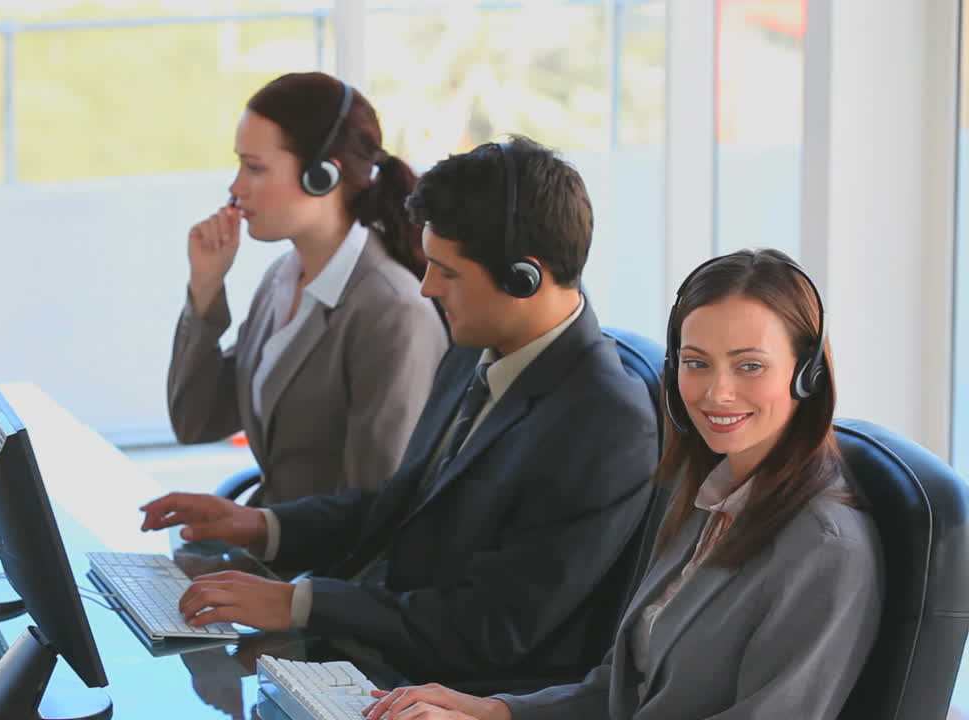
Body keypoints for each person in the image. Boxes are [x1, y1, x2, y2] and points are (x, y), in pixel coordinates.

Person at [142, 137, 659, 689]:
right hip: (379, 646)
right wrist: (262, 525)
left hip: (447, 688)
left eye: (447, 272)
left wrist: (301, 604)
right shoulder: (475, 347)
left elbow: (490, 629)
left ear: (522, 278)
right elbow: (408, 508)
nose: (428, 286)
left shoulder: (605, 424)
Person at [362, 248, 883, 719]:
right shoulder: (710, 498)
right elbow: (618, 692)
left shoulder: (825, 550)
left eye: (750, 366)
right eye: (696, 364)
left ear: (806, 375)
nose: (718, 392)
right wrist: (492, 712)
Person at [168, 71, 448, 506]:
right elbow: (195, 422)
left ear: (322, 176)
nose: (235, 187)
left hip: (313, 569)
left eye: (255, 168)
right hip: (264, 557)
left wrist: (254, 537)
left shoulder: (391, 312)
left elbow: (373, 512)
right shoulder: (283, 279)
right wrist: (206, 288)